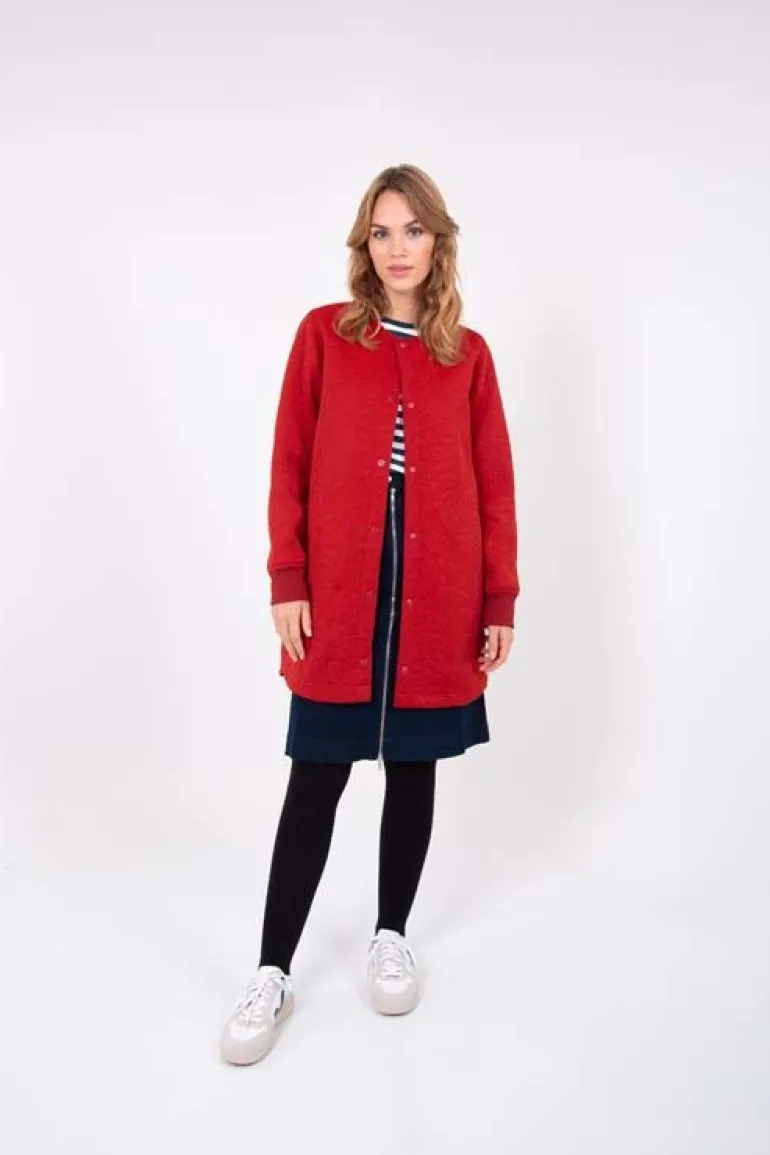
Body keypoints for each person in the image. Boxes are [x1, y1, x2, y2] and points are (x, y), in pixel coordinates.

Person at [219, 163, 519, 1065]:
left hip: (437, 588)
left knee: (413, 768)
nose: (398, 248)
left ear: (439, 243)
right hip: (343, 588)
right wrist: (288, 576)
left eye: (414, 231)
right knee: (316, 776)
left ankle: (392, 932)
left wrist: (498, 595)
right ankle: (271, 969)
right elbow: (289, 460)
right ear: (365, 244)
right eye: (383, 232)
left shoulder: (467, 355)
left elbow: (495, 483)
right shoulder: (324, 335)